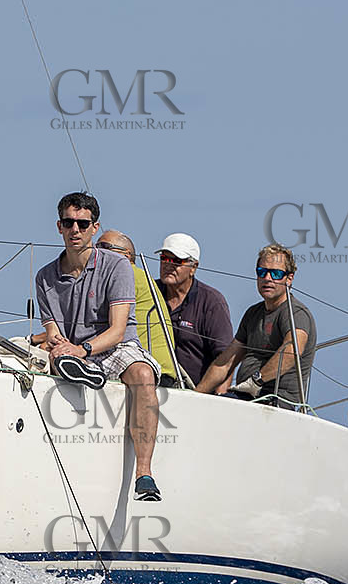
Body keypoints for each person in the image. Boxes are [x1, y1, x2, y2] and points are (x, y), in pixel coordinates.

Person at [34, 193, 165, 501]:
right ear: (59, 227)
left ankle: (144, 474)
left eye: (82, 224)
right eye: (68, 223)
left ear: (95, 227)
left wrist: (82, 351)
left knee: (144, 375)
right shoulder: (45, 277)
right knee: (53, 354)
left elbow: (118, 330)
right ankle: (77, 371)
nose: (75, 230)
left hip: (111, 347)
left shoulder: (117, 266)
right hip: (73, 350)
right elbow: (52, 330)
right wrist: (60, 345)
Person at [195, 244, 316, 410]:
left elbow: (292, 351)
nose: (267, 278)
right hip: (246, 397)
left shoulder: (296, 313)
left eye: (276, 273)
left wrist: (256, 381)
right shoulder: (253, 313)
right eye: (262, 272)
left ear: (289, 279)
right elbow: (225, 362)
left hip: (276, 402)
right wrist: (194, 396)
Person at [96, 230, 180, 387]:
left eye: (104, 247)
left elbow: (90, 322)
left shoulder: (127, 275)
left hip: (148, 370)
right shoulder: (140, 276)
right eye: (96, 247)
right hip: (151, 368)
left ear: (126, 255)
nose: (98, 252)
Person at [155, 233, 234, 390]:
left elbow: (225, 359)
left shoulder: (212, 302)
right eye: (164, 258)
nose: (168, 264)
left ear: (193, 268)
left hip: (196, 394)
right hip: (152, 388)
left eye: (177, 261)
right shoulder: (150, 292)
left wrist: (218, 399)